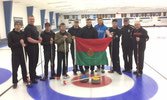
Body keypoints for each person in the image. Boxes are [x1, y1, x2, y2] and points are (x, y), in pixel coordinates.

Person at [8, 21, 27, 89]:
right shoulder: (10, 34)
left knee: (24, 67)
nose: (18, 26)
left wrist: (25, 44)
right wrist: (19, 43)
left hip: (23, 53)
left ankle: (25, 79)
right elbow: (10, 45)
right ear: (14, 26)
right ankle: (15, 82)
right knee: (15, 68)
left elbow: (26, 42)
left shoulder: (23, 33)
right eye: (17, 25)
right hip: (15, 54)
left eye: (19, 25)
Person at [24, 15, 42, 83]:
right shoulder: (27, 28)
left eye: (33, 19)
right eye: (31, 19)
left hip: (35, 46)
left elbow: (36, 35)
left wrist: (39, 38)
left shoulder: (34, 27)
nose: (32, 20)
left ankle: (34, 74)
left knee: (35, 61)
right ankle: (32, 77)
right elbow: (29, 39)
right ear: (28, 20)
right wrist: (37, 41)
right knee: (32, 62)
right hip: (30, 47)